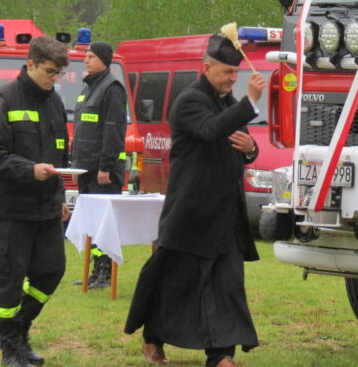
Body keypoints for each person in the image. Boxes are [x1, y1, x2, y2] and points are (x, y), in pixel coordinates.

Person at [125, 34, 266, 367]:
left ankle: (221, 356)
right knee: (178, 282)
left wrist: (251, 149)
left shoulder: (227, 100)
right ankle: (153, 338)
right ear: (207, 68)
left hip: (226, 213)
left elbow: (240, 142)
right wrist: (250, 102)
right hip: (191, 211)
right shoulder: (189, 100)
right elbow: (211, 130)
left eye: (236, 73)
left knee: (228, 284)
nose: (233, 79)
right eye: (227, 73)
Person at [0, 36, 71, 367]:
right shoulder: (3, 100)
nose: (54, 79)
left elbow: (60, 153)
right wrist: (30, 170)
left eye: (59, 73)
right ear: (29, 64)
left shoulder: (55, 103)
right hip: (12, 211)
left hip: (47, 209)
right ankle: (10, 350)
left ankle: (17, 332)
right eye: (49, 72)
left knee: (52, 272)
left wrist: (59, 196)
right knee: (9, 283)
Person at [71, 41, 127, 289]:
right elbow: (83, 130)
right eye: (86, 56)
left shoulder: (112, 88)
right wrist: (76, 166)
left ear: (104, 59)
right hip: (86, 167)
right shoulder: (87, 89)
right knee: (92, 224)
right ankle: (95, 270)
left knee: (104, 223)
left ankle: (106, 273)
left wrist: (106, 166)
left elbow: (113, 130)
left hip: (102, 171)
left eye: (91, 56)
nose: (86, 60)